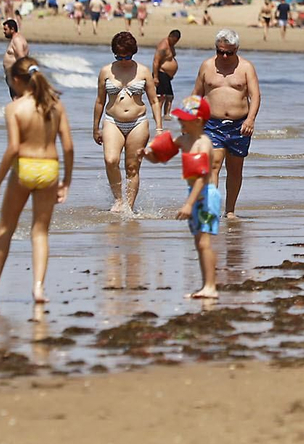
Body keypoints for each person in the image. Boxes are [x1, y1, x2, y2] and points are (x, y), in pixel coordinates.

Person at [0, 58, 73, 303]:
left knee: (6, 229)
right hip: (50, 168)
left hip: (25, 168)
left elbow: (13, 148)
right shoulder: (56, 106)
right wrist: (67, 181)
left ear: (17, 80)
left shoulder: (14, 108)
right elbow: (69, 147)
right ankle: (39, 289)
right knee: (40, 232)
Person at [192, 29, 261, 216]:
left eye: (228, 52)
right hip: (212, 124)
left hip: (239, 125)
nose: (224, 56)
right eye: (220, 51)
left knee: (235, 169)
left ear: (236, 49)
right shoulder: (207, 66)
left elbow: (255, 96)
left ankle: (230, 210)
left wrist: (250, 119)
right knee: (213, 165)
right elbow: (196, 95)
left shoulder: (246, 67)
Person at [92, 31, 162, 215]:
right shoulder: (106, 71)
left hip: (138, 122)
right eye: (119, 56)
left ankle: (128, 207)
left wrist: (159, 128)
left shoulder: (143, 71)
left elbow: (154, 101)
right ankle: (118, 199)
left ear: (134, 52)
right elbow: (99, 101)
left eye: (128, 56)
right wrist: (95, 127)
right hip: (112, 121)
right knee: (110, 159)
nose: (124, 60)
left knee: (132, 167)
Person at [170, 95, 222, 299]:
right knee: (199, 242)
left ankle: (211, 286)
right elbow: (163, 152)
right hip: (194, 196)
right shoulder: (185, 140)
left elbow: (201, 177)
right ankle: (206, 285)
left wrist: (188, 204)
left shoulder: (204, 144)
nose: (180, 121)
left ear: (199, 121)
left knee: (204, 243)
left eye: (184, 118)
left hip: (205, 197)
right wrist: (146, 154)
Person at [151, 29, 181, 119]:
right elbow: (156, 62)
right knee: (162, 96)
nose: (175, 43)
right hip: (161, 73)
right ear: (170, 37)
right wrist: (155, 77)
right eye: (174, 40)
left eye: (176, 41)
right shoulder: (163, 46)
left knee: (169, 96)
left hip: (166, 75)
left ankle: (166, 114)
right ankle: (157, 115)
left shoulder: (171, 45)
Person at [1, 18, 29, 99]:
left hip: (15, 75)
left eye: (6, 29)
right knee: (16, 99)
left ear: (12, 29)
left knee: (17, 100)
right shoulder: (16, 39)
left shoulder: (17, 40)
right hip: (12, 75)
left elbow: (22, 57)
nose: (4, 32)